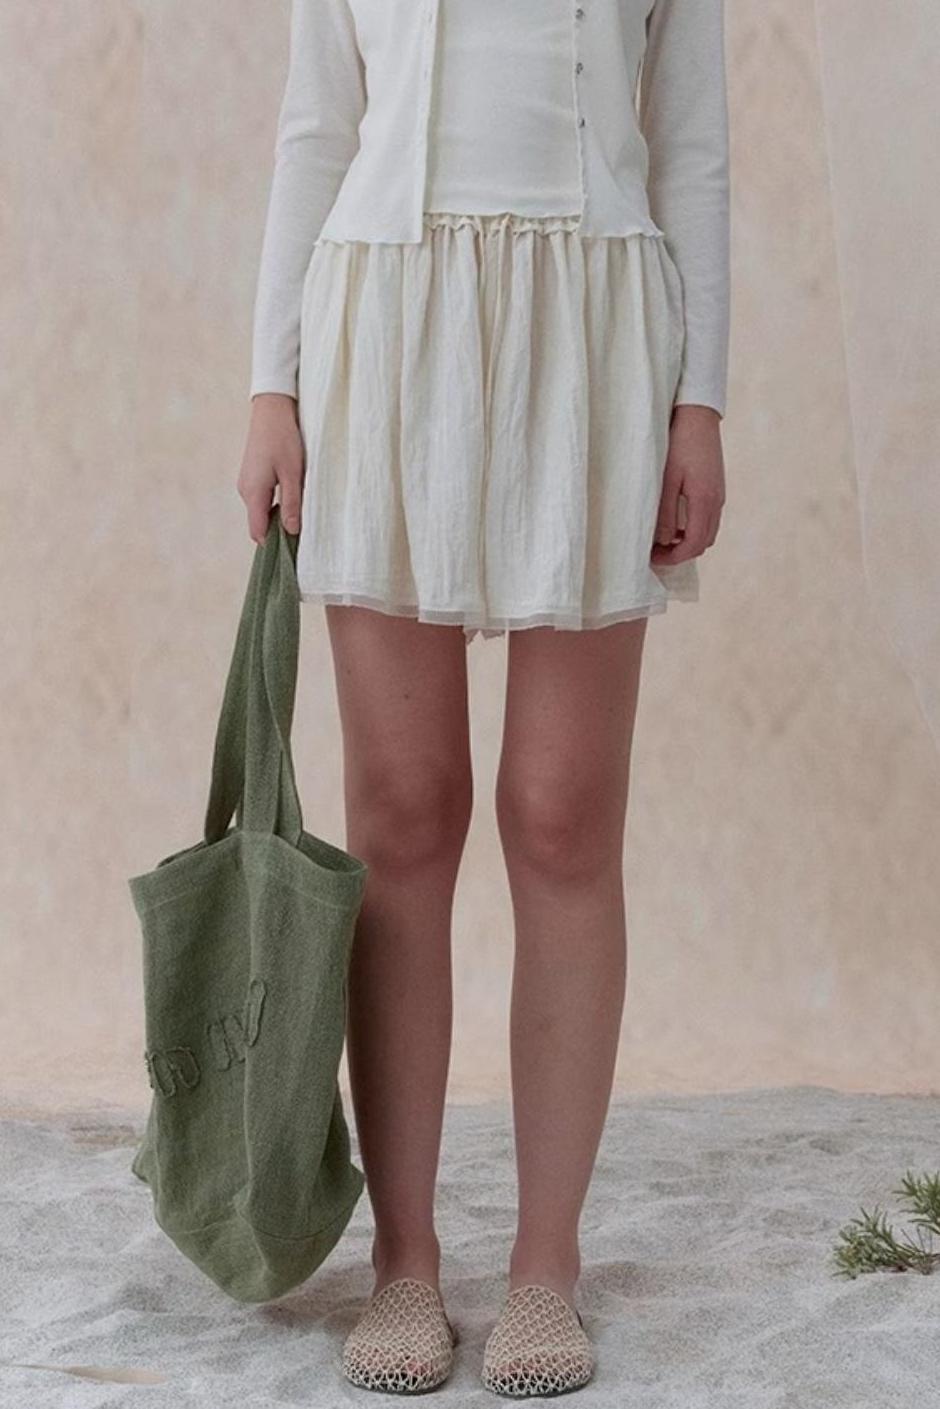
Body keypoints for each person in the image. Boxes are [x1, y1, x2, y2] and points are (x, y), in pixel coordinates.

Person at [237, 0, 729, 1396]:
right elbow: (317, 125)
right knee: (403, 814)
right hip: (385, 331)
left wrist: (701, 403)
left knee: (563, 816)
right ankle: (404, 1258)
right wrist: (271, 385)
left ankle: (544, 1265)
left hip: (595, 335)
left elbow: (692, 144)